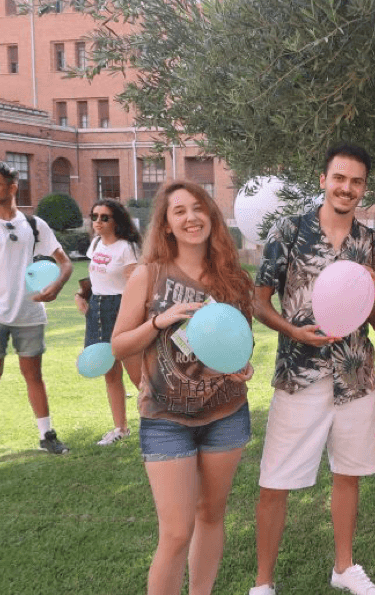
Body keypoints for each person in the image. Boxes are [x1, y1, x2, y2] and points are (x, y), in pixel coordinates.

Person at [249, 143, 375, 595]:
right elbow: (258, 300)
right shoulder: (288, 231)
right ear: (324, 180)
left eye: (356, 181)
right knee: (275, 479)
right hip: (299, 375)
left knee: (347, 475)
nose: (347, 188)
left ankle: (344, 567)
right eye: (340, 178)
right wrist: (292, 331)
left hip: (354, 378)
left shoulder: (372, 245)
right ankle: (263, 582)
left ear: (363, 188)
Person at [110, 179, 255, 595]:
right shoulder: (148, 275)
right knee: (175, 532)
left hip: (225, 414)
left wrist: (239, 368)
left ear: (210, 216)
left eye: (198, 208)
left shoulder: (233, 279)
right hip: (166, 419)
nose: (191, 217)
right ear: (167, 225)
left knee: (211, 514)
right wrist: (160, 320)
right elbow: (119, 345)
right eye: (180, 211)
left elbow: (235, 346)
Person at [0, 160, 74, 464]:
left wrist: (57, 286)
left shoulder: (34, 225)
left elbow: (65, 263)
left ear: (12, 187)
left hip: (29, 314)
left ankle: (47, 436)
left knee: (34, 375)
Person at [76, 198, 142, 445]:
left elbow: (136, 286)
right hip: (97, 309)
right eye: (94, 217)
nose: (98, 222)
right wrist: (81, 296)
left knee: (138, 375)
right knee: (109, 372)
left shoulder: (127, 248)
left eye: (105, 217)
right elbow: (95, 280)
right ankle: (120, 428)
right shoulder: (94, 245)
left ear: (117, 221)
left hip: (121, 308)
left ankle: (158, 423)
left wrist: (133, 316)